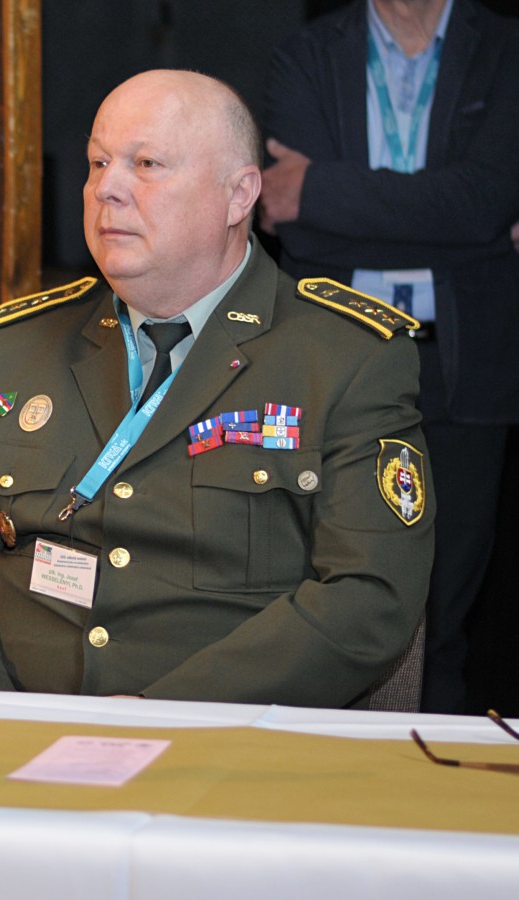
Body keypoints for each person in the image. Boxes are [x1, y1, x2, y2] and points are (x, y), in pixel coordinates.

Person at [0, 70, 432, 707]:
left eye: (146, 164)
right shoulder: (17, 348)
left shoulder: (344, 359)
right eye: (98, 163)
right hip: (16, 730)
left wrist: (166, 718)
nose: (106, 188)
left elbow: (368, 597)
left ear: (238, 195)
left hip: (223, 743)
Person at [259, 0, 519, 713]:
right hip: (337, 368)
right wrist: (473, 229)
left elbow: (485, 199)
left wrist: (320, 188)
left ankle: (428, 775)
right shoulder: (305, 55)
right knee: (321, 605)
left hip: (463, 373)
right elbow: (297, 230)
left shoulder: (504, 49)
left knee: (443, 623)